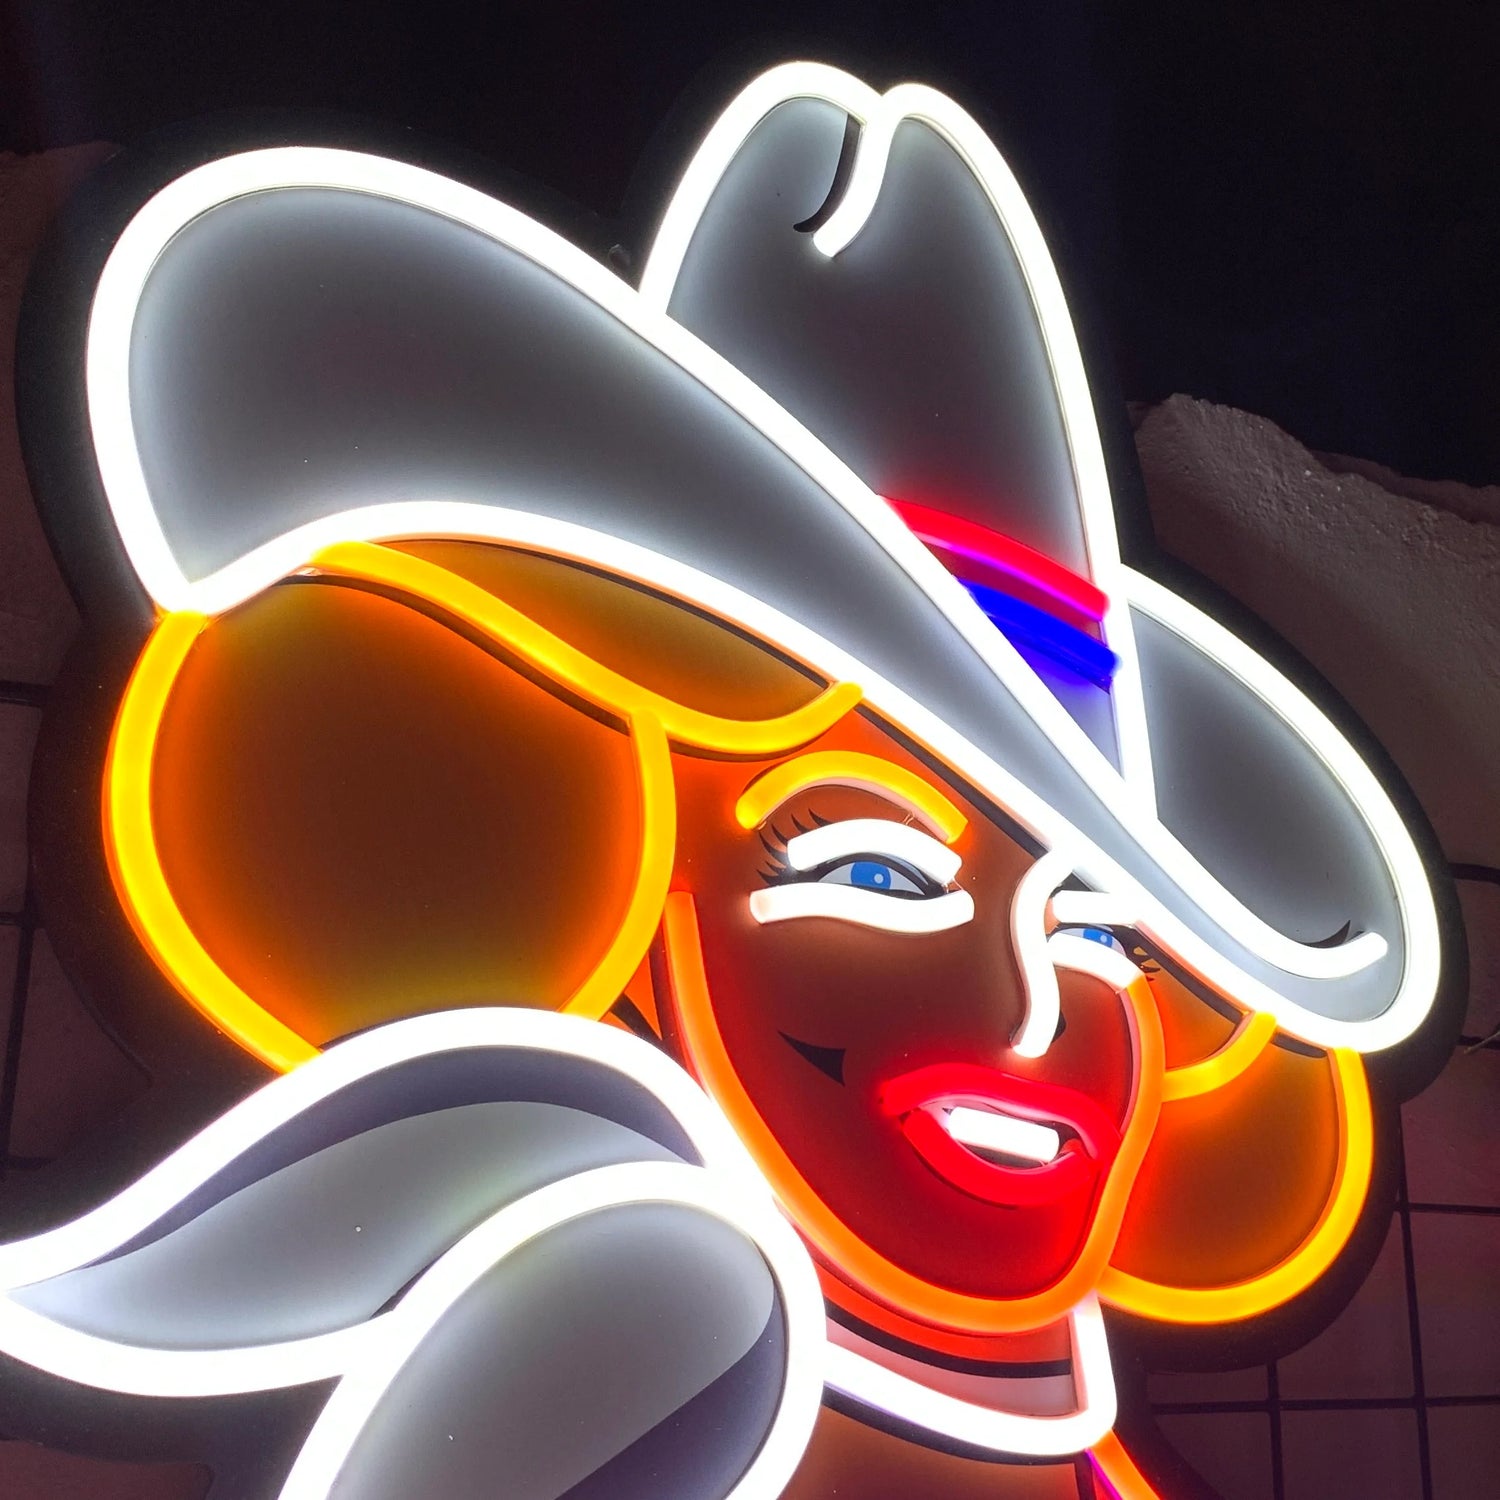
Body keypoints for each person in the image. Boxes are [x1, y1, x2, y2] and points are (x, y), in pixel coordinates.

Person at [13, 65, 1445, 1500]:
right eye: (880, 875)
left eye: (1107, 935)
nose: (1032, 1010)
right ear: (601, 869)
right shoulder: (632, 1391)